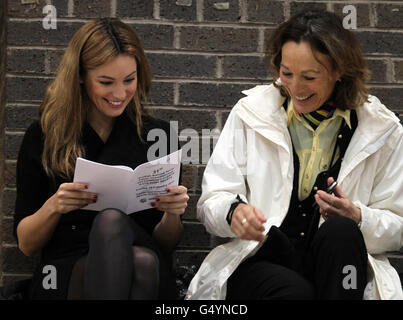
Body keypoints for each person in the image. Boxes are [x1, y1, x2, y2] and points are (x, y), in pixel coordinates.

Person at [186, 10, 403, 300]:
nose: (296, 88)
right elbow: (212, 200)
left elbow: (397, 228)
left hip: (338, 264)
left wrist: (359, 217)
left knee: (342, 232)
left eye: (309, 77)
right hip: (261, 261)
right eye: (286, 73)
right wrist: (233, 212)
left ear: (339, 71)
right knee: (295, 294)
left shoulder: (383, 129)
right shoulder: (249, 114)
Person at [14, 17, 189, 300]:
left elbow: (167, 244)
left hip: (145, 254)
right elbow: (26, 244)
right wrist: (54, 206)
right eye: (106, 82)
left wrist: (172, 213)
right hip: (68, 266)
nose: (120, 94)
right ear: (81, 76)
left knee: (131, 245)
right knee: (137, 260)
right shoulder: (45, 135)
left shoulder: (159, 135)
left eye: (129, 80)